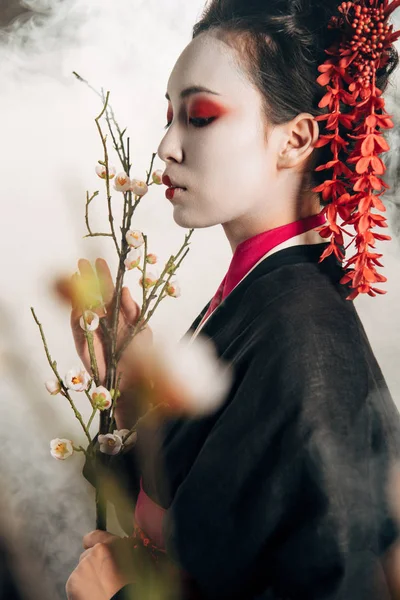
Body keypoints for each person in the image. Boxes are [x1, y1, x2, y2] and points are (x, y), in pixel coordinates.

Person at [65, 0, 400, 598]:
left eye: (199, 116)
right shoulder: (263, 287)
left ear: (296, 138)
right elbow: (216, 495)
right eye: (169, 116)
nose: (165, 146)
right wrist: (131, 385)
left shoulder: (303, 330)